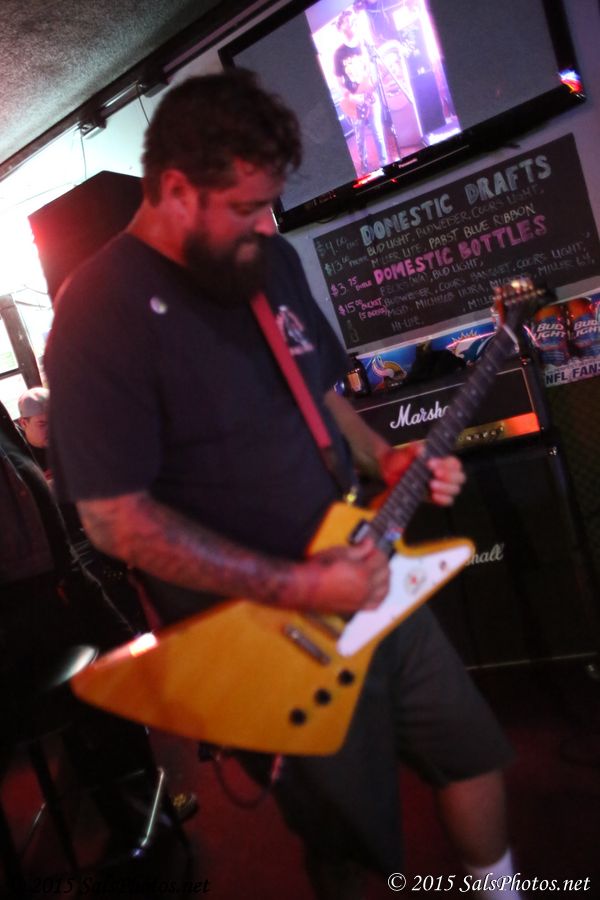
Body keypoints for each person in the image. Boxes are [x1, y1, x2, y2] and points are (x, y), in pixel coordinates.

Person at [44, 70, 521, 899]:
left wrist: (383, 459)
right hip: (266, 632)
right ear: (175, 189)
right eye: (246, 208)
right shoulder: (98, 312)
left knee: (473, 753)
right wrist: (300, 584)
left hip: (367, 569)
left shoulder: (269, 263)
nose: (267, 226)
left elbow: (322, 392)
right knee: (353, 846)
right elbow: (117, 522)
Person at [333, 9, 389, 175]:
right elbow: (339, 83)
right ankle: (364, 169)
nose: (352, 22)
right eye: (347, 20)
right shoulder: (338, 54)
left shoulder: (365, 45)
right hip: (354, 101)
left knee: (378, 132)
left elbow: (374, 70)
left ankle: (386, 165)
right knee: (360, 138)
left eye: (353, 19)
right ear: (341, 27)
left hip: (370, 95)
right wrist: (351, 97)